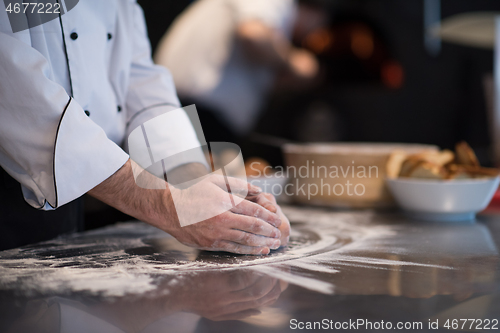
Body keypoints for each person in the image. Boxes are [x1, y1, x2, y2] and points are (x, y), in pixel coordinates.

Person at [0, 0, 290, 253]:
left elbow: (140, 81)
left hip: (78, 193)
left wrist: (193, 181)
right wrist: (168, 204)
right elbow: (15, 94)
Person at [154, 0, 326, 144]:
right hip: (197, 115)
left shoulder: (276, 23)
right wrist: (294, 61)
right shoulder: (279, 3)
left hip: (186, 111)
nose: (313, 33)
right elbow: (254, 35)